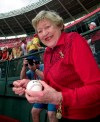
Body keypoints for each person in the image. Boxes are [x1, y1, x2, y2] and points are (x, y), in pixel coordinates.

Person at [12, 10, 100, 122]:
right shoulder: (48, 52)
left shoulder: (73, 40)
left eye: (47, 27)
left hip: (86, 116)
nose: (44, 33)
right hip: (63, 113)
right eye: (40, 31)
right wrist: (31, 84)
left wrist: (59, 97)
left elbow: (97, 88)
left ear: (59, 26)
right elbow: (53, 85)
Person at [20, 57, 58, 122]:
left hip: (52, 93)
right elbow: (22, 78)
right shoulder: (31, 70)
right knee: (34, 111)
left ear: (37, 63)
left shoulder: (43, 66)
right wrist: (24, 66)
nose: (31, 65)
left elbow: (46, 78)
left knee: (51, 114)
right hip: (42, 95)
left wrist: (35, 70)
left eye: (32, 63)